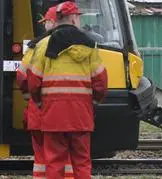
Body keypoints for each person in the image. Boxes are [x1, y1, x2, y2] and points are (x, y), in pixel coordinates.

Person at [27, 1, 107, 179]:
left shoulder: (43, 45)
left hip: (53, 114)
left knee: (54, 162)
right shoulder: (89, 44)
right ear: (73, 19)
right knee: (82, 161)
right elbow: (100, 81)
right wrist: (93, 103)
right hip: (80, 114)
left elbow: (33, 81)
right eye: (78, 17)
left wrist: (39, 102)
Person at [16, 5, 74, 179]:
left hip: (39, 112)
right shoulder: (75, 45)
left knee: (41, 158)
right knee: (66, 155)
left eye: (45, 23)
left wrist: (31, 99)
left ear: (51, 22)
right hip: (66, 112)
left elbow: (22, 76)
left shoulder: (36, 47)